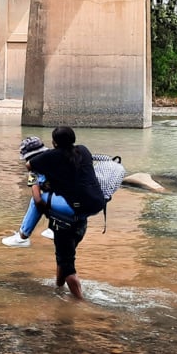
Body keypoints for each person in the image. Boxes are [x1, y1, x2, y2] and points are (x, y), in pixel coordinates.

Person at [19, 126, 106, 300]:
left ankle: (80, 303)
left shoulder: (52, 158)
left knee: (67, 266)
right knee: (64, 256)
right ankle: (58, 288)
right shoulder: (82, 150)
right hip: (83, 217)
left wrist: (33, 180)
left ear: (54, 143)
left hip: (65, 223)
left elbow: (36, 195)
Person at [1, 136, 73, 248]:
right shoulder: (57, 158)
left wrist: (32, 176)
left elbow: (37, 199)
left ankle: (22, 237)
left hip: (72, 206)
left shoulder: (35, 170)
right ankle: (54, 228)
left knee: (37, 200)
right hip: (82, 203)